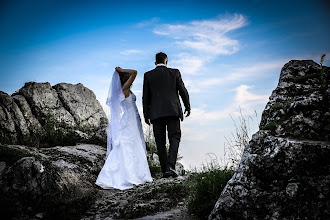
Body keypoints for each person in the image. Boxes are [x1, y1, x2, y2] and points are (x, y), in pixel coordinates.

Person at [95, 67, 152, 190]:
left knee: (133, 145)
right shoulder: (124, 89)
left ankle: (138, 173)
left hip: (132, 119)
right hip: (130, 120)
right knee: (129, 145)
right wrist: (122, 70)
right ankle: (129, 176)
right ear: (126, 79)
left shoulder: (124, 90)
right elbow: (135, 72)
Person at [143, 52, 190, 178]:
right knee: (174, 138)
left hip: (156, 113)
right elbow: (183, 91)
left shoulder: (148, 75)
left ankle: (165, 170)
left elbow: (145, 96)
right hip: (172, 111)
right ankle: (170, 166)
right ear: (166, 61)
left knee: (160, 141)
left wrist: (146, 114)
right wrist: (187, 106)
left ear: (155, 63)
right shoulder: (175, 73)